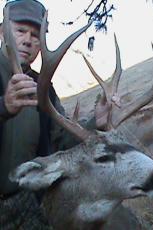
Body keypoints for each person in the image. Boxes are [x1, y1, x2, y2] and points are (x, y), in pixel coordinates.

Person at [0, 0, 97, 229]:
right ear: (2, 31)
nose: (28, 40)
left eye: (36, 35)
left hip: (25, 202)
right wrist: (4, 106)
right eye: (21, 31)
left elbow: (61, 139)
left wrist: (97, 121)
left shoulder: (43, 87)